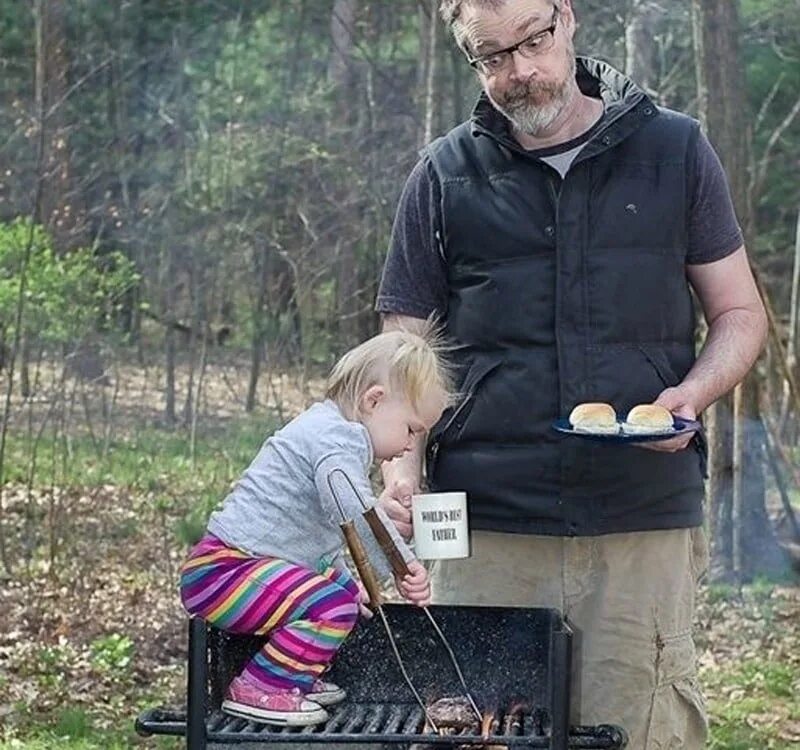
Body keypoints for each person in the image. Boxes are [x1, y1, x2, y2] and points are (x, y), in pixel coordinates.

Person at [375, 1, 768, 748]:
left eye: (535, 40)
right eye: (492, 56)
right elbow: (403, 353)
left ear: (568, 17)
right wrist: (401, 473)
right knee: (471, 732)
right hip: (484, 527)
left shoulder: (676, 151)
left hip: (640, 519)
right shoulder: (443, 174)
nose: (520, 71)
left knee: (644, 731)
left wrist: (693, 395)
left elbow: (740, 315)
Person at [179, 325, 454, 726]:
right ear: (373, 401)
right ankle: (261, 687)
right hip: (222, 572)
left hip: (242, 566)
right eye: (411, 428)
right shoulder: (336, 444)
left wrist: (359, 575)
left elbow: (326, 538)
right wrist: (405, 566)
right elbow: (357, 514)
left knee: (346, 592)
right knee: (334, 606)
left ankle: (297, 671)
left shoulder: (332, 432)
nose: (412, 445)